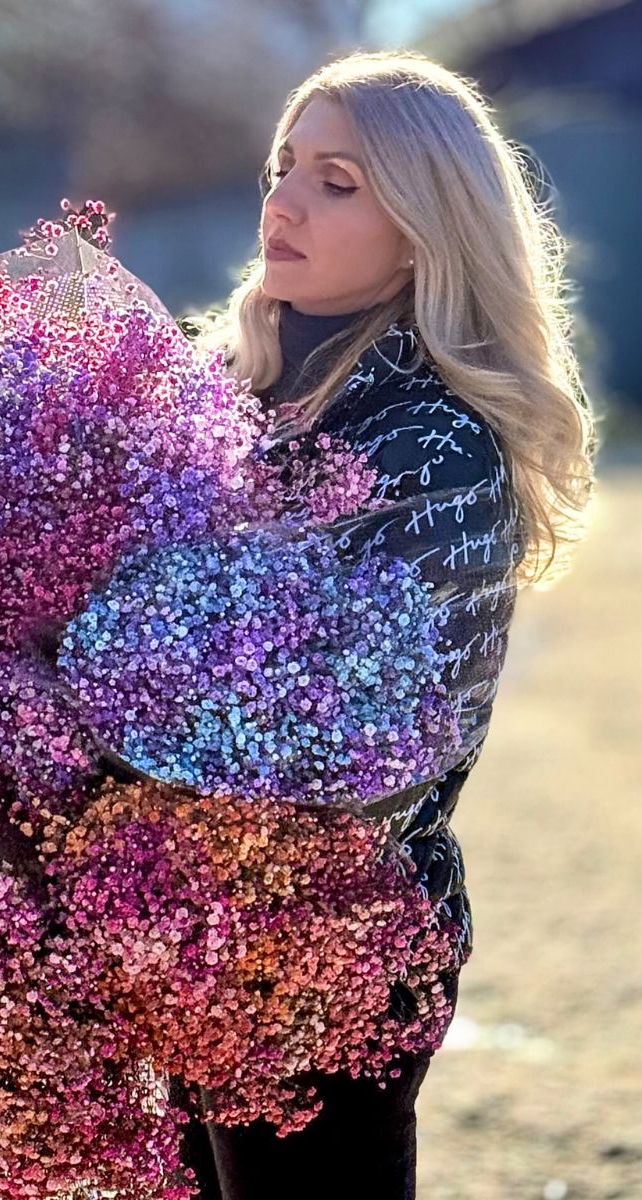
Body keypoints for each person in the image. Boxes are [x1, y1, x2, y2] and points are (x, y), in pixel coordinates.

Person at [161, 49, 598, 1200]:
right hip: (165, 931)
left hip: (330, 954)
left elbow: (373, 761)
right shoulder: (216, 402)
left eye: (338, 181)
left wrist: (95, 718)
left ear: (425, 227)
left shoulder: (436, 450)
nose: (284, 201)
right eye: (283, 165)